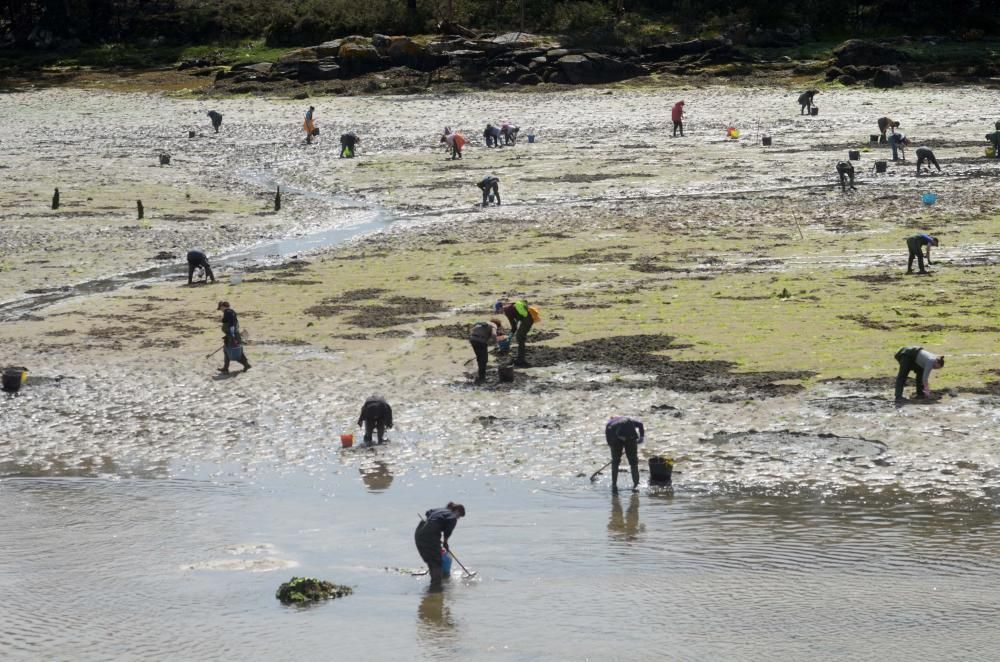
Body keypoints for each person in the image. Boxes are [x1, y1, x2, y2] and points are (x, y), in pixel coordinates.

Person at [414, 502, 466, 588]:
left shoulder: (440, 510)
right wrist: (445, 542)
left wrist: (433, 529)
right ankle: (436, 590)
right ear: (457, 510)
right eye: (459, 515)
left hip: (419, 532)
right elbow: (448, 530)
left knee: (431, 560)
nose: (458, 518)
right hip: (430, 534)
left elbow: (428, 513)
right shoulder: (452, 516)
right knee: (436, 562)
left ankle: (433, 586)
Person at [605, 416, 645, 493]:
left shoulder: (609, 424)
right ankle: (636, 484)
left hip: (616, 440)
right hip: (631, 437)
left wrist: (614, 449)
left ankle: (614, 485)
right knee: (633, 463)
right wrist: (641, 437)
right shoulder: (628, 419)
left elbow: (608, 439)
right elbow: (640, 424)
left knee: (615, 463)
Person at [495, 299, 532, 367]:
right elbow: (516, 322)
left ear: (500, 308)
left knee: (519, 337)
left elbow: (514, 326)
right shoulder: (510, 307)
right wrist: (511, 334)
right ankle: (521, 358)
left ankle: (521, 360)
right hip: (528, 318)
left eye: (498, 310)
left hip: (527, 320)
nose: (498, 312)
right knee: (520, 337)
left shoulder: (507, 311)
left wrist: (509, 336)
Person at [217, 301, 251, 373]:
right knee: (227, 350)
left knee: (234, 353)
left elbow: (232, 324)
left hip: (232, 336)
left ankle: (246, 365)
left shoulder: (228, 312)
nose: (221, 310)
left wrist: (232, 335)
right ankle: (226, 368)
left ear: (223, 306)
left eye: (220, 308)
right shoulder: (231, 311)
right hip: (233, 335)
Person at [469, 319, 505, 384]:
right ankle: (482, 378)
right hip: (480, 341)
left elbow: (472, 330)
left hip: (473, 339)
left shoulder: (483, 323)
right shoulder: (494, 325)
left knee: (480, 358)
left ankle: (480, 376)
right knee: (484, 359)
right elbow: (494, 335)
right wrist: (496, 344)